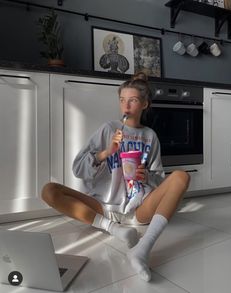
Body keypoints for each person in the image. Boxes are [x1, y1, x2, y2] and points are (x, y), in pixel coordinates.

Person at [41, 72, 190, 282]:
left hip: (139, 208)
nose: (126, 106)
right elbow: (78, 168)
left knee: (181, 177)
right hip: (103, 206)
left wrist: (146, 175)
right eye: (122, 100)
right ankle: (115, 230)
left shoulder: (150, 136)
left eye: (133, 100)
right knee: (49, 190)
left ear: (144, 104)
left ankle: (142, 250)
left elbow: (159, 179)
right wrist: (105, 153)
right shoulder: (108, 129)